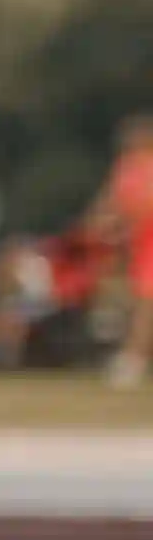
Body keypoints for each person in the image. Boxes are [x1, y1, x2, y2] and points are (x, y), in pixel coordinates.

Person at [98, 117, 153, 388]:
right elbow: (113, 200)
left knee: (146, 301)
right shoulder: (126, 166)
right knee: (136, 299)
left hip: (148, 237)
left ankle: (134, 359)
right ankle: (133, 356)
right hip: (136, 240)